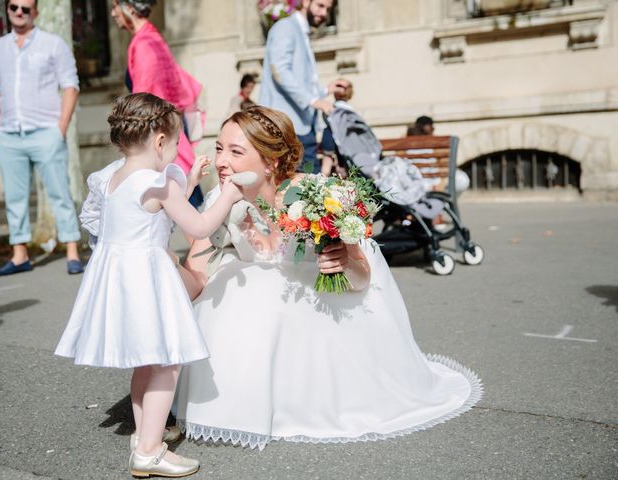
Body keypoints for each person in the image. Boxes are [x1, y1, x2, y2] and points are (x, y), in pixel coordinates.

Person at [174, 106, 482, 449]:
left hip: (321, 299)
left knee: (273, 303)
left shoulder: (319, 194)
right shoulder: (220, 199)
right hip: (265, 300)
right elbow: (198, 281)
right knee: (237, 294)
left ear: (270, 162)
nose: (220, 161)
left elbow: (362, 277)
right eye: (218, 148)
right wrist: (161, 261)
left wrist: (343, 264)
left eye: (235, 152)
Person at [54, 93, 243, 477]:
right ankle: (149, 451)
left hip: (117, 276)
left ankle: (145, 433)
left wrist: (186, 182)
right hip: (147, 278)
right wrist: (229, 194)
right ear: (160, 142)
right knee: (167, 361)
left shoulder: (110, 177)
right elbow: (201, 227)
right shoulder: (159, 184)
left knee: (147, 356)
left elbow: (134, 219)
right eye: (175, 145)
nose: (175, 152)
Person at [0, 0, 83, 276]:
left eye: (25, 9)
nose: (18, 12)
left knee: (60, 193)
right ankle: (20, 255)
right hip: (9, 135)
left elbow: (70, 86)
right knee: (15, 198)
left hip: (45, 132)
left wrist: (60, 128)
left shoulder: (53, 44)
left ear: (35, 12)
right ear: (7, 9)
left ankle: (72, 250)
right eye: (14, 6)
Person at [110, 0, 205, 207]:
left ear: (130, 9)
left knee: (187, 209)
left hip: (161, 139)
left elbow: (143, 104)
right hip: (165, 134)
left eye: (116, 6)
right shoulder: (149, 38)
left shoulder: (145, 44)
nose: (113, 13)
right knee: (188, 207)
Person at [259, 0, 348, 174]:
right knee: (300, 190)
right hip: (285, 127)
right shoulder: (286, 27)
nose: (324, 13)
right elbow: (279, 70)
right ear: (305, 2)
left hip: (302, 127)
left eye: (328, 9)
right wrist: (313, 100)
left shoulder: (301, 31)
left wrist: (326, 90)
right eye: (320, 6)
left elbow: (298, 79)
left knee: (308, 189)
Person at [320, 80, 354, 177]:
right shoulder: (350, 109)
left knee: (327, 162)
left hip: (329, 136)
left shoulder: (330, 106)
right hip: (343, 139)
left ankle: (322, 178)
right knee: (343, 166)